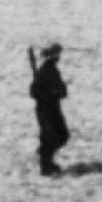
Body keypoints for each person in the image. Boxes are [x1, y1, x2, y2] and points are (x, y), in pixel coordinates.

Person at [28, 42, 69, 176]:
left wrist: (58, 92)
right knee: (49, 137)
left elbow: (62, 90)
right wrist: (50, 94)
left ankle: (46, 157)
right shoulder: (45, 71)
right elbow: (34, 91)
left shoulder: (53, 70)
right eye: (57, 54)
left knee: (62, 135)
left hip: (53, 108)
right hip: (45, 109)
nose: (59, 56)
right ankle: (46, 166)